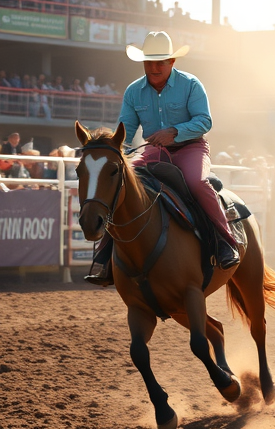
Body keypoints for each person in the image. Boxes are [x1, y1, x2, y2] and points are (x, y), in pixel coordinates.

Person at [85, 31, 239, 286]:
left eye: (160, 62)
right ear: (143, 63)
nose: (154, 67)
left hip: (190, 148)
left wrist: (174, 132)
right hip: (153, 152)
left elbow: (205, 121)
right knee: (121, 185)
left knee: (197, 183)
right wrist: (115, 150)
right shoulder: (134, 91)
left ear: (172, 62)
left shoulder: (191, 84)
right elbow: (126, 130)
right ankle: (103, 256)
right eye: (149, 62)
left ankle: (225, 243)